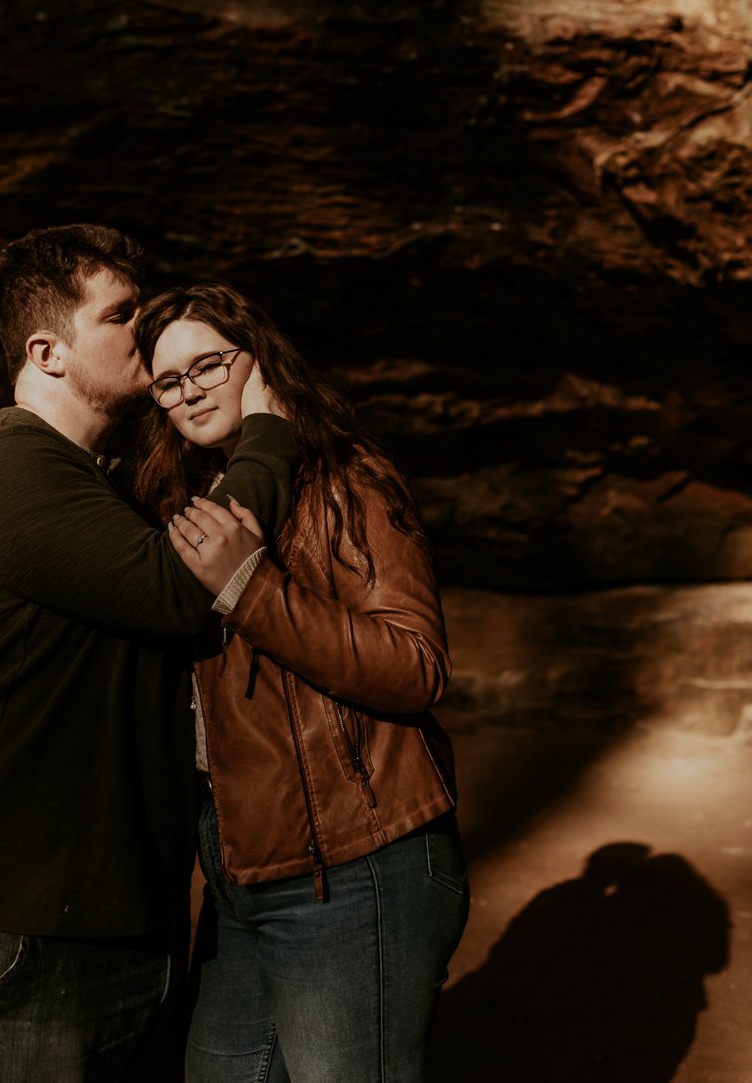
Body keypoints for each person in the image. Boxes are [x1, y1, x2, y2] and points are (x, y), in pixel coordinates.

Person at [0, 225, 298, 1081]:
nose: (146, 334)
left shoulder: (96, 479)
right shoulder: (10, 468)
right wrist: (267, 435)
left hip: (114, 923)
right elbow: (181, 588)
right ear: (46, 350)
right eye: (121, 316)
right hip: (19, 937)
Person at [132, 281, 470, 1083]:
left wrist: (250, 587)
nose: (190, 392)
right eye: (169, 382)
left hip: (355, 860)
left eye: (208, 364)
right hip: (238, 864)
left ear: (259, 360)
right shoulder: (192, 497)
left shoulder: (345, 479)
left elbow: (416, 666)